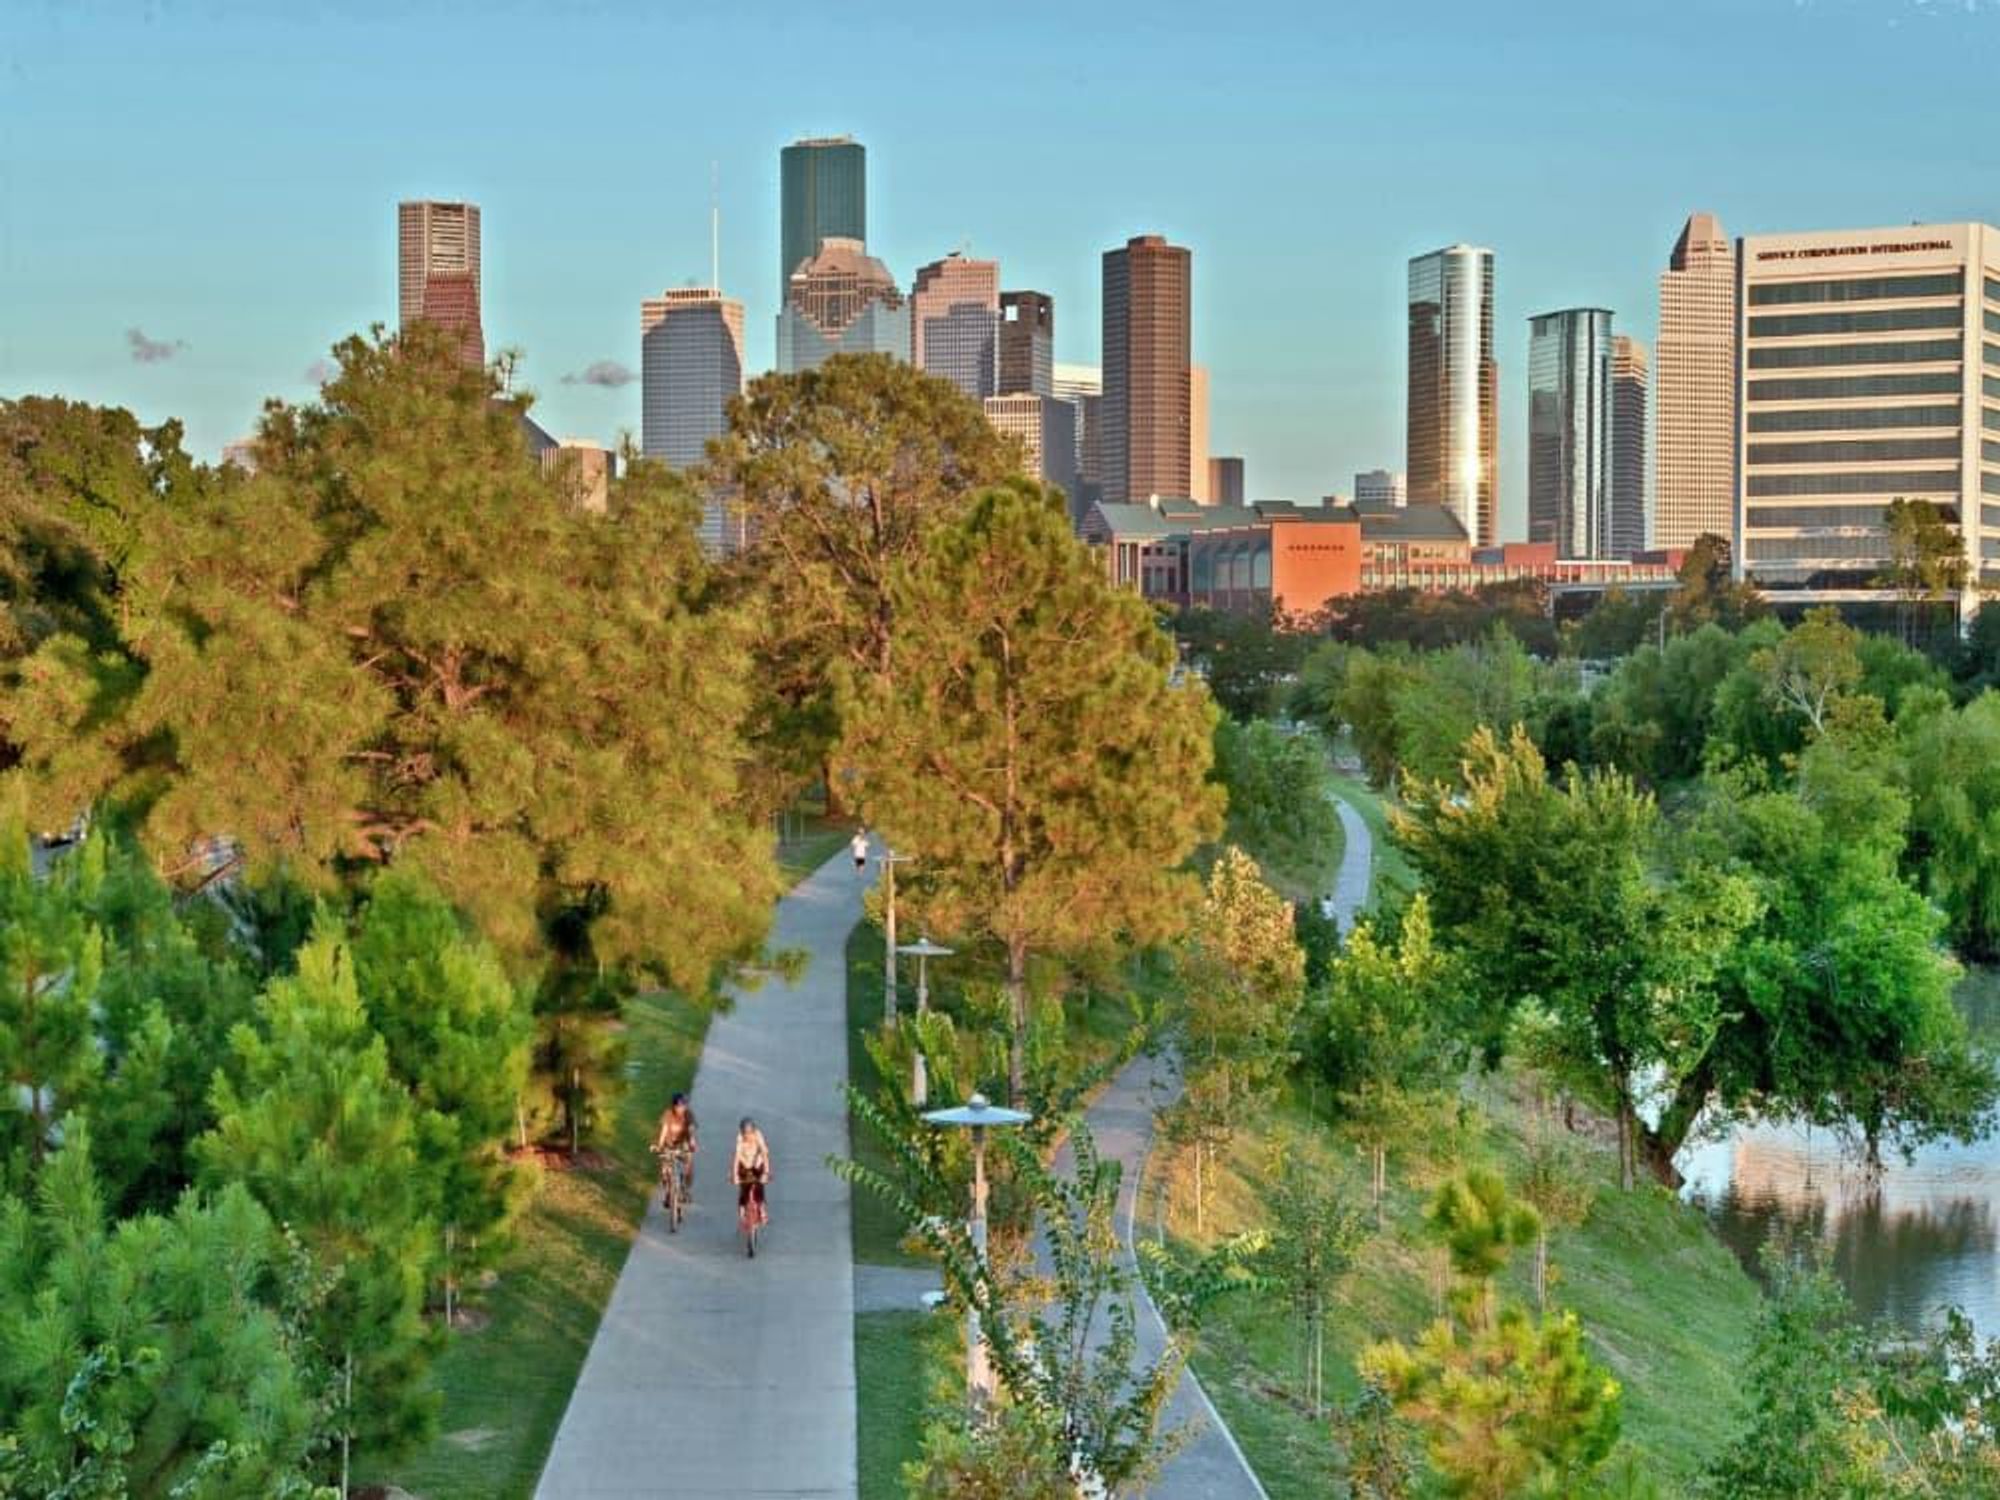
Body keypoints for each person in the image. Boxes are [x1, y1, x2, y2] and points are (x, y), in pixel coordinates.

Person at [652, 1092, 697, 1207]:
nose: (681, 1108)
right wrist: (659, 1146)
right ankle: (668, 1192)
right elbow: (664, 1130)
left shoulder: (688, 1114)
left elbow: (691, 1129)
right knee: (664, 1170)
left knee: (689, 1165)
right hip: (669, 1145)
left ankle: (685, 1189)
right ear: (673, 1106)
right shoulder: (668, 1114)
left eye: (684, 1105)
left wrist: (692, 1141)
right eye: (679, 1106)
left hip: (683, 1144)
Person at [731, 1116, 772, 1240]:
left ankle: (762, 1208)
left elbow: (764, 1154)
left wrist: (766, 1172)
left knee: (759, 1184)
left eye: (749, 1133)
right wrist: (734, 1175)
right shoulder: (739, 1139)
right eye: (745, 1133)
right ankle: (743, 1213)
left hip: (757, 1162)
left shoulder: (758, 1136)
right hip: (744, 1163)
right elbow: (736, 1157)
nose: (747, 1136)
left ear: (754, 1131)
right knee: (744, 1188)